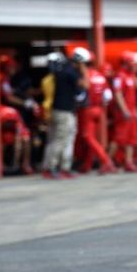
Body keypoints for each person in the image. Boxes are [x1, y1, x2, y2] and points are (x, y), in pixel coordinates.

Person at [42, 47, 90, 179]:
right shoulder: (70, 72)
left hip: (62, 111)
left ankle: (63, 168)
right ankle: (51, 168)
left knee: (63, 140)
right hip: (64, 111)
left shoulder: (64, 70)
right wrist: (84, 70)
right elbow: (86, 85)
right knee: (61, 140)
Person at [78, 56, 115, 174]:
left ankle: (106, 161)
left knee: (88, 137)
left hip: (88, 110)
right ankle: (87, 165)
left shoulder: (85, 76)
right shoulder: (100, 76)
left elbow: (80, 96)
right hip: (99, 109)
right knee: (92, 138)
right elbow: (108, 96)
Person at [108, 52, 137, 172]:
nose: (134, 65)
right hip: (123, 113)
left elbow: (132, 97)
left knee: (132, 138)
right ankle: (107, 162)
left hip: (131, 112)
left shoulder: (131, 76)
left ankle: (128, 162)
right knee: (119, 138)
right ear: (126, 63)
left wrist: (135, 111)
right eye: (131, 63)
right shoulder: (119, 76)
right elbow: (118, 94)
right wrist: (124, 110)